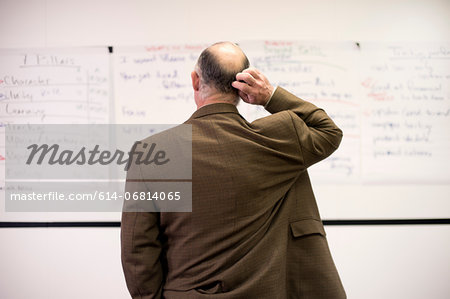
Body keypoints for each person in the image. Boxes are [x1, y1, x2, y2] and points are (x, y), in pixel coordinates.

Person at [121, 41, 346, 298]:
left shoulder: (151, 153)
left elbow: (137, 250)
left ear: (195, 80)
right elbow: (328, 130)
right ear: (244, 86)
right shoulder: (277, 140)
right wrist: (270, 96)